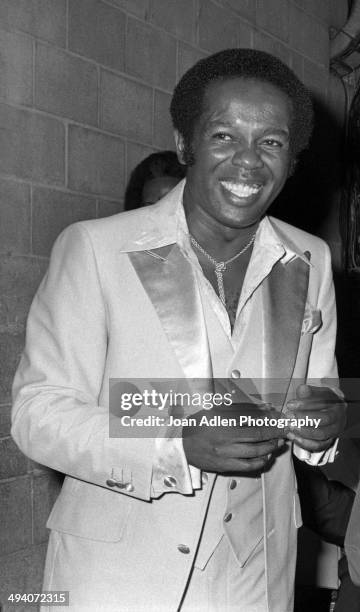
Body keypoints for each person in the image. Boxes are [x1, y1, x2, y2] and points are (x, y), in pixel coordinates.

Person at [11, 49, 346, 612]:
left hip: (256, 577)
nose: (249, 162)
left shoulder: (309, 258)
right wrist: (178, 445)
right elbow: (38, 414)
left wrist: (327, 421)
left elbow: (318, 395)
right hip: (121, 576)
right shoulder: (96, 248)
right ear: (185, 144)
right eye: (224, 136)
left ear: (293, 157)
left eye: (271, 142)